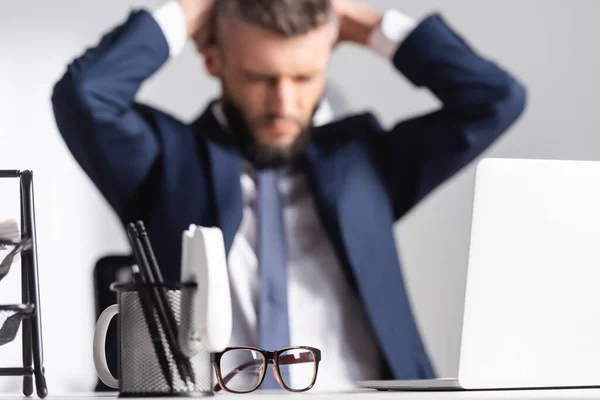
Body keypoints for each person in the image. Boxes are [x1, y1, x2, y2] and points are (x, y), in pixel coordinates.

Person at [51, 0, 526, 391]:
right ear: (215, 60)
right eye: (260, 78)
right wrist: (194, 11)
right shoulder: (166, 162)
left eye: (303, 78)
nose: (284, 104)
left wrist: (361, 23)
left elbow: (495, 99)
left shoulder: (364, 160)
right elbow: (84, 95)